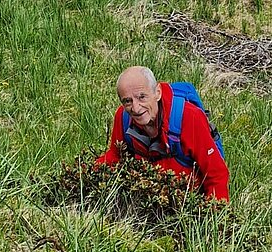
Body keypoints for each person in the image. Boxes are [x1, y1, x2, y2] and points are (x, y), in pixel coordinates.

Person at [96, 66, 229, 202]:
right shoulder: (123, 117)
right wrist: (83, 174)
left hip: (189, 200)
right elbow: (115, 156)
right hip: (148, 198)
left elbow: (216, 174)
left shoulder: (189, 117)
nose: (135, 108)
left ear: (157, 92)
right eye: (127, 101)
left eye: (142, 97)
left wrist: (213, 217)